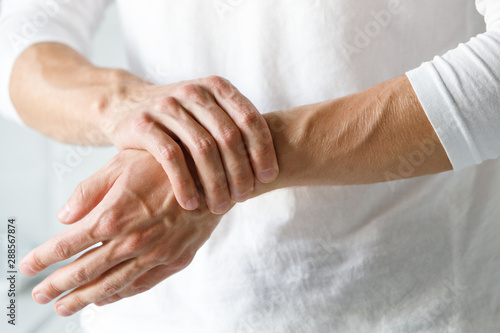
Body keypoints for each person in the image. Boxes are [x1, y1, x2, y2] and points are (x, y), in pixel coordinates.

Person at [1, 0, 500, 331]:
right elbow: (18, 33)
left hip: (410, 305)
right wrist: (126, 107)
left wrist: (213, 161)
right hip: (155, 313)